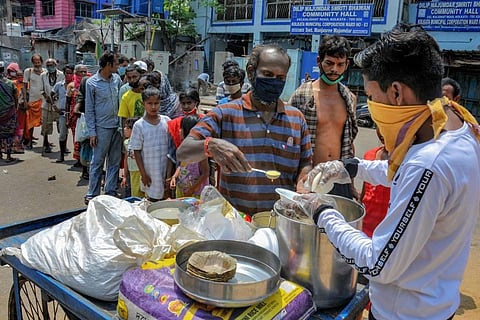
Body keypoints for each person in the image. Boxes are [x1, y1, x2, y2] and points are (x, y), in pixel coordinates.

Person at [304, 23, 480, 320]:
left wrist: (323, 213)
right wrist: (353, 167)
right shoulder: (457, 127)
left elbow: (377, 264)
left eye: (372, 96)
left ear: (397, 93)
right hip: (436, 301)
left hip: (406, 312)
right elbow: (402, 171)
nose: (371, 105)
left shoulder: (429, 164)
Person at [176, 44, 313, 216]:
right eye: (268, 75)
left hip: (281, 220)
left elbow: (306, 163)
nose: (274, 82)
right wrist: (210, 146)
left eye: (281, 77)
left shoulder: (296, 119)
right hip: (235, 223)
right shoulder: (225, 113)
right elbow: (183, 152)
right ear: (251, 72)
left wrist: (303, 183)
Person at [289, 35, 358, 199]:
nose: (335, 69)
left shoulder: (349, 98)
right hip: (309, 179)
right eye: (329, 63)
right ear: (319, 61)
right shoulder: (302, 96)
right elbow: (289, 140)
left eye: (340, 64)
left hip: (338, 178)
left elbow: (349, 144)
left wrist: (351, 183)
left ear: (347, 64)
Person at [84, 51, 123, 204]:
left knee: (114, 161)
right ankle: (92, 194)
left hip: (116, 127)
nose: (118, 66)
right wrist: (92, 132)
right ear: (108, 64)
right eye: (116, 63)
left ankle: (110, 191)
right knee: (97, 162)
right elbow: (89, 109)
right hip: (101, 128)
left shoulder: (117, 80)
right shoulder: (91, 83)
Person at [129, 86, 174, 202]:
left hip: (166, 169)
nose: (153, 107)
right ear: (143, 104)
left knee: (167, 200)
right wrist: (143, 174)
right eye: (149, 103)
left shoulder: (166, 121)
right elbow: (137, 151)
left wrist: (169, 173)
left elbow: (171, 148)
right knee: (152, 200)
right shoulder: (139, 125)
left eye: (156, 103)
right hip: (150, 171)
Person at [360, 127, 389, 238]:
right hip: (366, 227)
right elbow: (364, 191)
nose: (381, 132)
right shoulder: (369, 155)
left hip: (387, 231)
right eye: (379, 126)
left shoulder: (405, 161)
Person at [170, 115, 209, 198]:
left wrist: (192, 189)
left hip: (195, 193)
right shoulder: (183, 148)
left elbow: (205, 173)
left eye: (182, 128)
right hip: (182, 189)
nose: (179, 131)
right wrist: (174, 177)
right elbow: (181, 166)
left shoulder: (200, 152)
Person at [40, 58, 65, 154]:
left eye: (52, 65)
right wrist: (47, 97)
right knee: (46, 125)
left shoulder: (61, 74)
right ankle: (46, 144)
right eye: (48, 65)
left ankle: (63, 146)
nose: (50, 67)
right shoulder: (43, 75)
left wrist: (55, 97)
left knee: (61, 126)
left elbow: (62, 87)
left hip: (58, 103)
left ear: (55, 65)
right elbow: (42, 89)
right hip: (47, 104)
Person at [51, 65, 74, 163]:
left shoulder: (75, 85)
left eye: (70, 73)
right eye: (67, 73)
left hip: (73, 113)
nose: (68, 75)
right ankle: (61, 154)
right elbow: (51, 94)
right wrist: (54, 106)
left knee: (76, 135)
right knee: (62, 134)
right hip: (62, 112)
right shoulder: (59, 85)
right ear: (64, 74)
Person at [22, 54, 45, 150]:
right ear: (32, 62)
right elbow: (24, 86)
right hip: (32, 100)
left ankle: (46, 142)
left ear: (41, 62)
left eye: (38, 61)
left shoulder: (45, 72)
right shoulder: (28, 71)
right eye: (35, 61)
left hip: (44, 100)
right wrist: (25, 101)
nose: (37, 63)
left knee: (45, 123)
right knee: (30, 123)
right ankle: (30, 141)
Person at [67, 64, 88, 167]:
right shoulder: (71, 85)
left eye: (85, 71)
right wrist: (67, 117)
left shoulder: (89, 83)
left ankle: (84, 159)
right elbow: (68, 101)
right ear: (76, 73)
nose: (83, 74)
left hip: (85, 115)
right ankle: (78, 159)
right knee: (77, 137)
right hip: (75, 116)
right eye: (81, 72)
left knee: (85, 138)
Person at [0, 61, 19, 162]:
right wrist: (15, 108)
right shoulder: (10, 83)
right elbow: (16, 98)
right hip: (9, 112)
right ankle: (8, 155)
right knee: (9, 134)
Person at [121, 117, 143, 198]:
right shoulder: (126, 142)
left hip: (141, 171)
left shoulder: (141, 141)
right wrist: (125, 176)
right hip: (132, 172)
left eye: (127, 127)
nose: (124, 129)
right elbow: (126, 159)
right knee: (135, 194)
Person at [6, 62, 25, 154]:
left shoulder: (26, 84)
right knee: (13, 128)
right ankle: (13, 147)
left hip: (21, 109)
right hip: (12, 109)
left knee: (20, 127)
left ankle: (18, 144)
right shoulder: (11, 83)